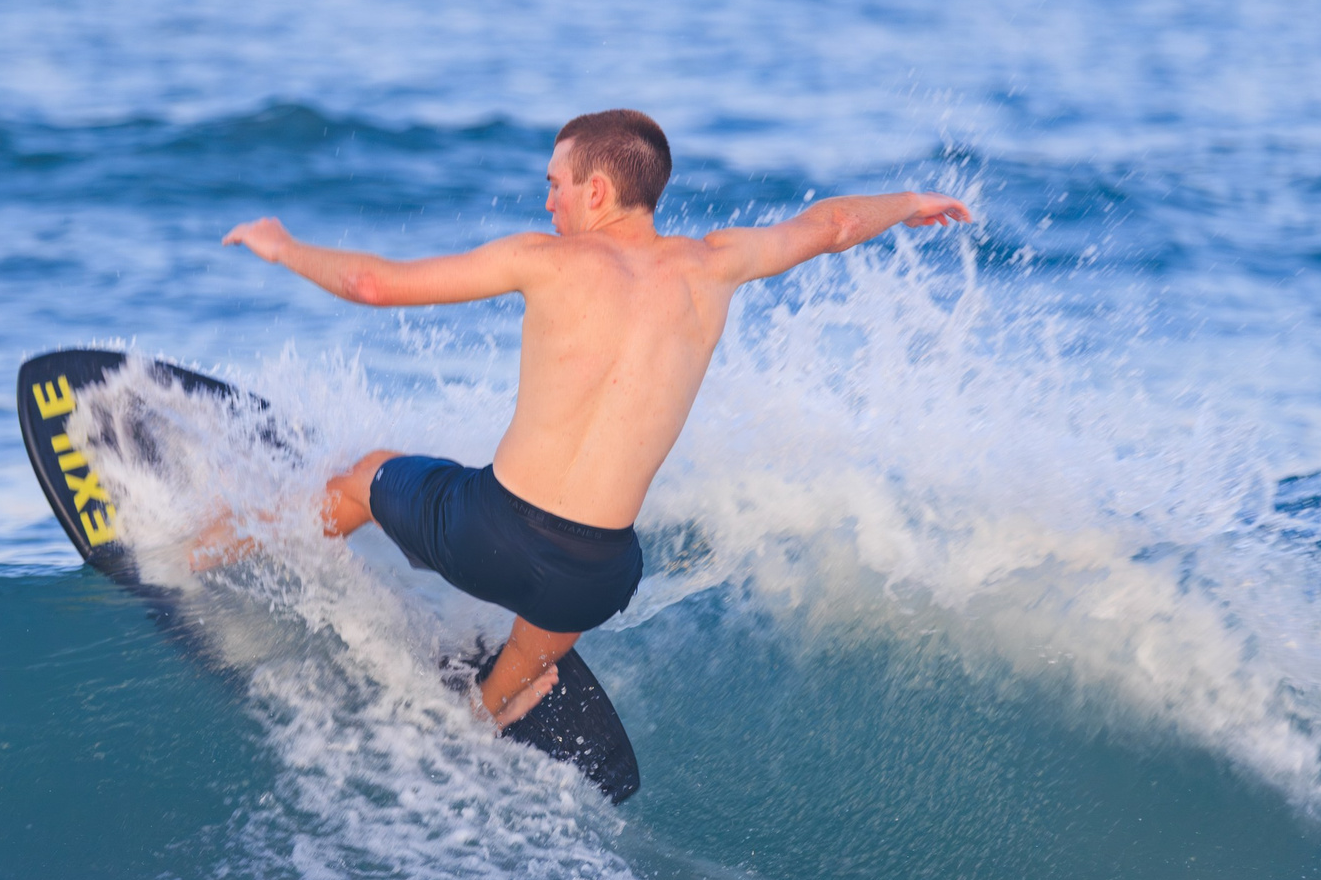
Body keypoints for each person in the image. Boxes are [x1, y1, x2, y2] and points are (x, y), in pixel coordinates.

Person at [219, 109, 972, 729]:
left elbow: (370, 284)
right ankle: (483, 713)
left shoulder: (547, 259)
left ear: (599, 189)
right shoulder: (717, 264)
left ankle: (231, 555)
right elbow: (836, 223)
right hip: (598, 576)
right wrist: (910, 205)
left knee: (362, 477)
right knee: (551, 615)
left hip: (492, 531)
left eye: (556, 184)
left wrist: (283, 248)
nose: (548, 202)